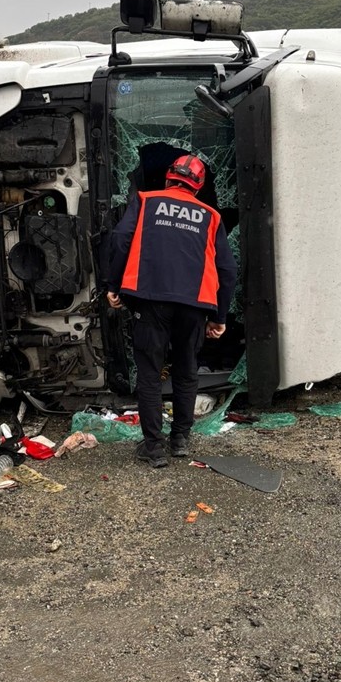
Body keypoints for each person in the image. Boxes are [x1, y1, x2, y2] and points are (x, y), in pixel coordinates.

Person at [107, 154, 237, 467]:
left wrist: (114, 284)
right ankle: (180, 440)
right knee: (186, 371)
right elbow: (228, 269)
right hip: (194, 307)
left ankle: (154, 449)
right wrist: (219, 317)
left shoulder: (146, 201)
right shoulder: (210, 216)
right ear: (198, 186)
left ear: (168, 177)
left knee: (150, 375)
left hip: (150, 300)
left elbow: (120, 238)